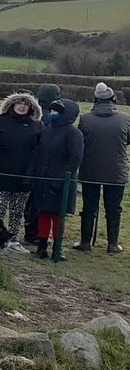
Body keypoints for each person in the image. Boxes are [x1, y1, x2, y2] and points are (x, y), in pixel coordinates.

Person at [0, 92, 43, 254]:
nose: (22, 106)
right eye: (19, 103)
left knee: (17, 211)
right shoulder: (0, 121)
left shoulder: (36, 125)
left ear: (31, 107)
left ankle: (14, 240)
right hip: (1, 172)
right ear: (12, 105)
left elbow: (41, 146)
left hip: (24, 175)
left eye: (26, 104)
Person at [76, 82, 130, 253]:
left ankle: (85, 243)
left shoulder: (85, 119)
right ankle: (112, 244)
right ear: (113, 99)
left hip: (90, 170)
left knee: (89, 207)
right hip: (116, 171)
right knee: (114, 209)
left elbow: (81, 142)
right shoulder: (126, 119)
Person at [31, 99, 84, 260]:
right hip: (43, 178)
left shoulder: (74, 134)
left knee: (58, 216)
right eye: (52, 111)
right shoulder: (46, 131)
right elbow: (39, 153)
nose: (52, 114)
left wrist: (60, 180)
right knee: (43, 213)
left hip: (62, 182)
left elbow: (75, 160)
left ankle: (57, 248)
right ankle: (41, 246)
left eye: (57, 112)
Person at [23, 82, 64, 243]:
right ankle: (34, 234)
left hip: (30, 162)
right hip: (44, 165)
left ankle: (30, 231)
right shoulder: (52, 117)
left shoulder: (35, 113)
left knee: (31, 201)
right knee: (38, 202)